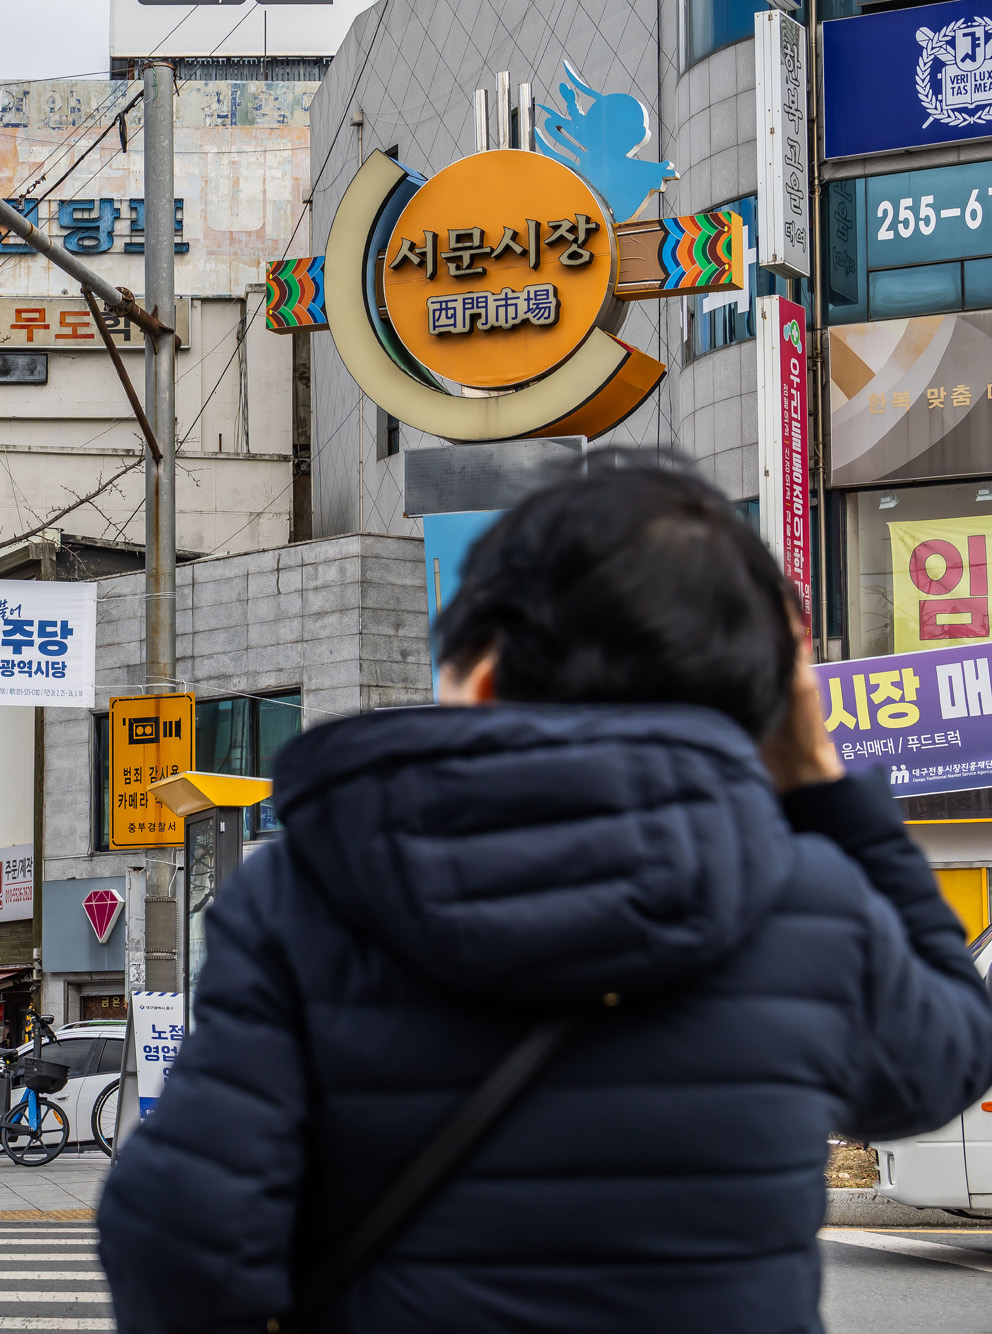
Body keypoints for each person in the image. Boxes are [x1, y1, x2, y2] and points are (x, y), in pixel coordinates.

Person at [96, 459, 992, 1334]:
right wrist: (829, 788)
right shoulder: (806, 897)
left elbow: (179, 1238)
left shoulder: (310, 889)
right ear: (767, 711)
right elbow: (941, 1067)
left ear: (478, 678)